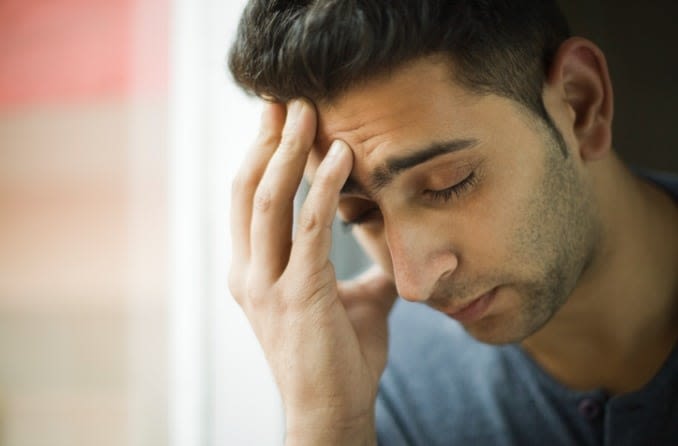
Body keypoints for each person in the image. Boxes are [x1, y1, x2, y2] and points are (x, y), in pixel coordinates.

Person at [227, 1, 678, 444]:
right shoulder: (370, 383)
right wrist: (328, 424)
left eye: (448, 184)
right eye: (360, 215)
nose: (414, 285)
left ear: (580, 104)